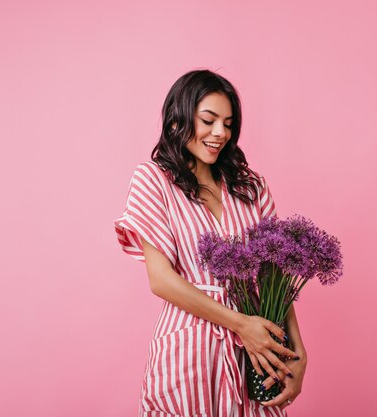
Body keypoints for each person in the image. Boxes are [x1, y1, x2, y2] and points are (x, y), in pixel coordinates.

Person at [114, 69, 308, 417]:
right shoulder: (154, 180)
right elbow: (161, 280)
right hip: (188, 352)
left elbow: (274, 276)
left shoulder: (251, 186)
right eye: (209, 120)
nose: (220, 133)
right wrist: (239, 325)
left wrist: (297, 352)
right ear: (177, 120)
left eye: (228, 124)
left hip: (256, 353)